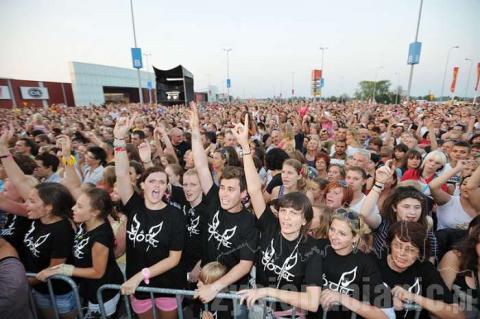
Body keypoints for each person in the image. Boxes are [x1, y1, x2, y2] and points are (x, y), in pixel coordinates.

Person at [233, 114, 322, 316]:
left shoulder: (312, 250)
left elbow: (312, 301)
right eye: (283, 211)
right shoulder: (271, 225)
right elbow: (255, 191)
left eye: (293, 213)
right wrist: (245, 148)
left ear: (305, 220)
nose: (286, 217)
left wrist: (269, 291)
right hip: (257, 309)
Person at [189, 103, 258, 317]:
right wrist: (194, 130)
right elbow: (201, 167)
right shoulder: (214, 203)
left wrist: (216, 287)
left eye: (231, 189)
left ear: (244, 194)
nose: (224, 194)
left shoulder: (249, 223)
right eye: (223, 188)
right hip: (205, 283)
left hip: (231, 295)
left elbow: (245, 265)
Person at [114, 115, 186, 319]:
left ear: (166, 187)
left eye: (162, 182)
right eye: (152, 181)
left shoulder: (175, 214)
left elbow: (174, 259)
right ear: (142, 184)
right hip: (139, 288)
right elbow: (121, 175)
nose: (157, 185)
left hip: (167, 284)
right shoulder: (134, 206)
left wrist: (140, 276)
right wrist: (119, 140)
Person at [1, 129, 77, 319]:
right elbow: (18, 179)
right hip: (36, 288)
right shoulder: (37, 214)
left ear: (49, 207)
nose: (26, 204)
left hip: (57, 293)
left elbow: (54, 269)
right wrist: (2, 148)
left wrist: (19, 283)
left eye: (32, 201)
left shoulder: (62, 229)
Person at [37, 188, 124, 318]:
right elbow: (72, 184)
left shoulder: (101, 238)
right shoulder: (86, 223)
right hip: (88, 289)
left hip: (103, 293)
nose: (73, 208)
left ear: (95, 212)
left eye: (79, 206)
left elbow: (98, 272)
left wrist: (62, 269)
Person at [316, 209, 394, 319]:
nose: (334, 236)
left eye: (342, 233)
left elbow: (384, 316)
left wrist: (342, 298)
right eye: (332, 229)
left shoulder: (366, 263)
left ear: (355, 237)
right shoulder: (318, 248)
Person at [379, 221, 462, 319]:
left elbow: (457, 315)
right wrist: (388, 302)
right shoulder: (375, 263)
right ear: (389, 245)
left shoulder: (425, 268)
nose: (402, 253)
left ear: (419, 253)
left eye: (410, 249)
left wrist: (413, 297)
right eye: (397, 245)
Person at [360, 163, 438, 261]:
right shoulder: (383, 224)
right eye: (406, 206)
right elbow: (365, 213)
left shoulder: (427, 233)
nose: (412, 212)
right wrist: (379, 183)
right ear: (394, 207)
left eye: (417, 207)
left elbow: (430, 263)